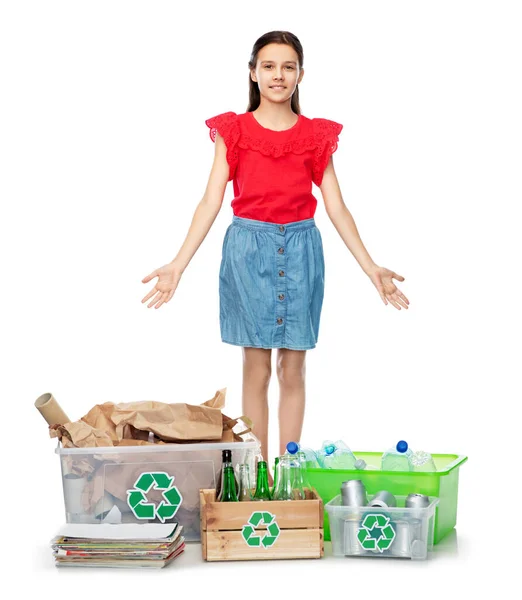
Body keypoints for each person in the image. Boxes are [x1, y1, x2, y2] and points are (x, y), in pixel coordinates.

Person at [141, 31, 409, 485]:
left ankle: (289, 470)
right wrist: (177, 264)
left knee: (294, 364)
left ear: (300, 74)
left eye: (288, 67)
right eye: (268, 66)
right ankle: (256, 472)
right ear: (253, 72)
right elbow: (209, 201)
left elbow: (337, 206)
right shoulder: (234, 131)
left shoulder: (315, 135)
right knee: (256, 364)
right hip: (249, 251)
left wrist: (372, 269)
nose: (278, 75)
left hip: (302, 250)